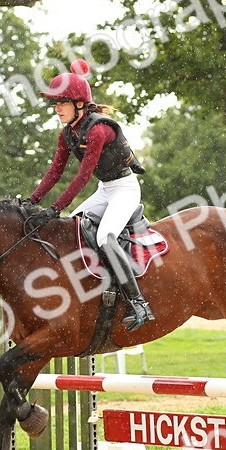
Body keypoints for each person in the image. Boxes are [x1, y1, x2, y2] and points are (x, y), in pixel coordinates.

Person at [27, 59, 155, 331]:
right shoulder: (68, 134)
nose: (56, 108)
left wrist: (56, 206)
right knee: (70, 230)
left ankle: (139, 303)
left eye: (62, 102)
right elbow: (55, 172)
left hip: (124, 189)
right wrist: (32, 200)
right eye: (54, 103)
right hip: (104, 190)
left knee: (104, 237)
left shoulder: (98, 130)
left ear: (79, 104)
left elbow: (82, 176)